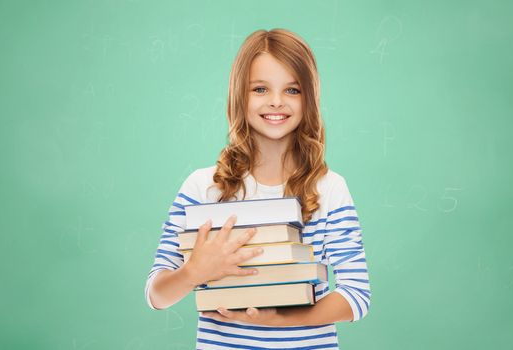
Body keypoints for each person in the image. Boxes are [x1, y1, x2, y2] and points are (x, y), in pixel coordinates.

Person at [145, 28, 370, 349]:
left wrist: (280, 319)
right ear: (240, 95)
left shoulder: (329, 189)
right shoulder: (203, 188)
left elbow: (357, 294)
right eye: (260, 89)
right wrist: (194, 271)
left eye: (292, 90)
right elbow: (157, 295)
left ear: (309, 97)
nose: (276, 102)